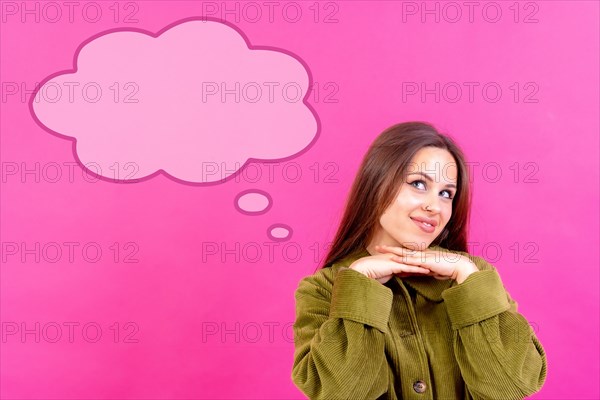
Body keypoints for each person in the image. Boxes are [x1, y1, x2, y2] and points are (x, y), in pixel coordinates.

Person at [290, 122, 547, 399]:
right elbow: (341, 392)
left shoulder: (474, 278)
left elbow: (513, 385)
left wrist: (467, 277)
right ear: (376, 184)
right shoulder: (323, 289)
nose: (434, 206)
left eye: (446, 193)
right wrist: (360, 288)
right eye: (418, 184)